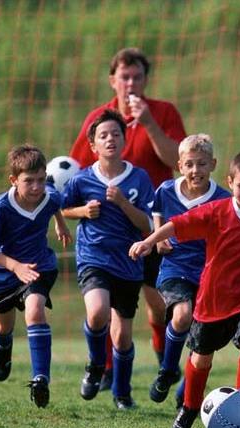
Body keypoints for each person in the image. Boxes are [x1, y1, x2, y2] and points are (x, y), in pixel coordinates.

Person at [129, 151, 240, 428]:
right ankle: (188, 409)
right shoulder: (217, 211)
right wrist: (149, 242)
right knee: (201, 360)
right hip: (211, 299)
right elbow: (179, 224)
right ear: (229, 182)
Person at [70, 47, 187, 387]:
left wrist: (148, 122)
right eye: (125, 77)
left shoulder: (162, 112)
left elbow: (175, 161)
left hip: (152, 221)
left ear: (145, 80)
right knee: (105, 300)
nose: (131, 83)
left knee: (158, 298)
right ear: (113, 81)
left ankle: (165, 358)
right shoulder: (100, 118)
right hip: (109, 229)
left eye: (137, 77)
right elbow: (77, 169)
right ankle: (105, 369)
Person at [62, 109, 155, 410]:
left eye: (116, 134)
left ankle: (122, 392)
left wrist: (123, 203)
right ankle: (94, 366)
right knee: (98, 311)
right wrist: (82, 212)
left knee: (123, 335)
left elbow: (148, 225)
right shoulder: (81, 179)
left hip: (128, 263)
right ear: (93, 146)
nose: (110, 139)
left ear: (125, 140)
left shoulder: (139, 178)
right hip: (94, 257)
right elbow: (63, 209)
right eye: (103, 135)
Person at [0, 144, 72, 408]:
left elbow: (55, 203)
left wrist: (60, 223)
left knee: (35, 310)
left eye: (41, 180)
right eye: (28, 181)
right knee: (4, 326)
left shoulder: (49, 196)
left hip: (40, 266)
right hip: (3, 275)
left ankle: (40, 378)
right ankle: (3, 349)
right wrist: (15, 266)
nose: (36, 187)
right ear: (13, 180)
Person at [147, 134, 231, 406]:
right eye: (190, 164)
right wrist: (159, 237)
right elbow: (157, 211)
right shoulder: (166, 190)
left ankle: (186, 392)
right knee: (181, 315)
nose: (196, 170)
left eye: (202, 164)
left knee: (202, 337)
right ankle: (167, 370)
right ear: (180, 166)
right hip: (175, 267)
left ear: (213, 164)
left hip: (210, 273)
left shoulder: (222, 199)